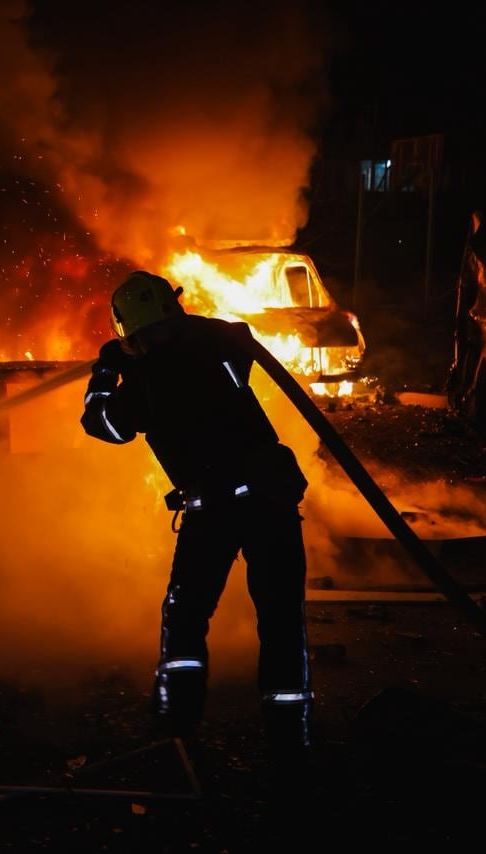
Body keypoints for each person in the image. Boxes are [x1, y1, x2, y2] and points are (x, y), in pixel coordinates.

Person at [81, 270, 313, 761]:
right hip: (271, 501)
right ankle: (291, 741)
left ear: (130, 332)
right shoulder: (219, 348)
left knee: (185, 618)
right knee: (281, 621)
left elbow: (102, 425)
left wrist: (106, 370)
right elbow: (237, 338)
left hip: (215, 512)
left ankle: (175, 724)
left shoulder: (145, 380)